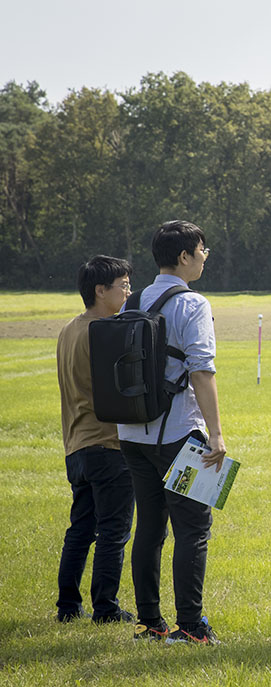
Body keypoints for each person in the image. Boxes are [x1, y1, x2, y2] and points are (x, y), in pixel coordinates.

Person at [118, 220, 226, 645]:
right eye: (202, 250)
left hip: (132, 434)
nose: (204, 257)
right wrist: (216, 435)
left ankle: (150, 623)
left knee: (149, 526)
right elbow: (201, 371)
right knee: (193, 529)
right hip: (181, 434)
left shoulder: (135, 300)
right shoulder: (193, 304)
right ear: (184, 257)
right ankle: (191, 626)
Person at [55, 255, 136, 624]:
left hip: (76, 445)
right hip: (108, 444)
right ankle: (106, 608)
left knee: (81, 529)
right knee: (113, 531)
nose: (128, 291)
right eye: (123, 285)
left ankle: (68, 606)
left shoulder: (69, 329)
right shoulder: (106, 332)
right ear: (100, 290)